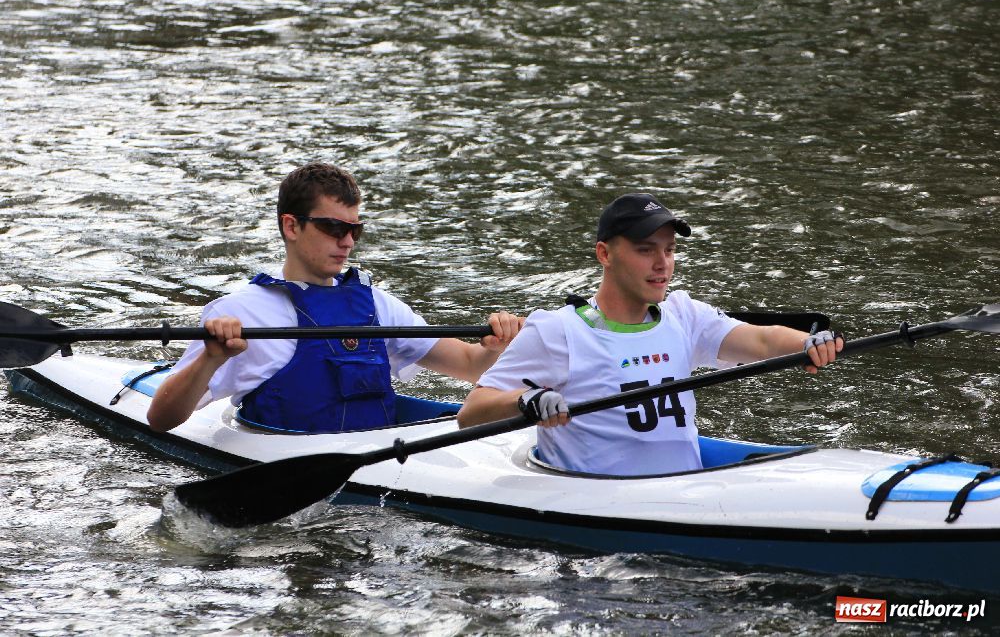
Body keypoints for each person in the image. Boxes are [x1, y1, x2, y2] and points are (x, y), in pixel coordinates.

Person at [457, 193, 843, 476]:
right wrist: (526, 401)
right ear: (605, 255)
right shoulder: (558, 331)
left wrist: (807, 344)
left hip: (685, 494)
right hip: (598, 512)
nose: (662, 265)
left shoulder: (684, 315)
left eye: (670, 250)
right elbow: (471, 414)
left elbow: (760, 340)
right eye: (646, 250)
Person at [147, 163, 522, 434]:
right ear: (291, 226)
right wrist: (211, 359)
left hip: (379, 459)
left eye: (354, 230)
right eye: (333, 228)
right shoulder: (241, 312)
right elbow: (161, 419)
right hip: (289, 460)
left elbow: (472, 366)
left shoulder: (377, 305)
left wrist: (494, 346)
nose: (346, 242)